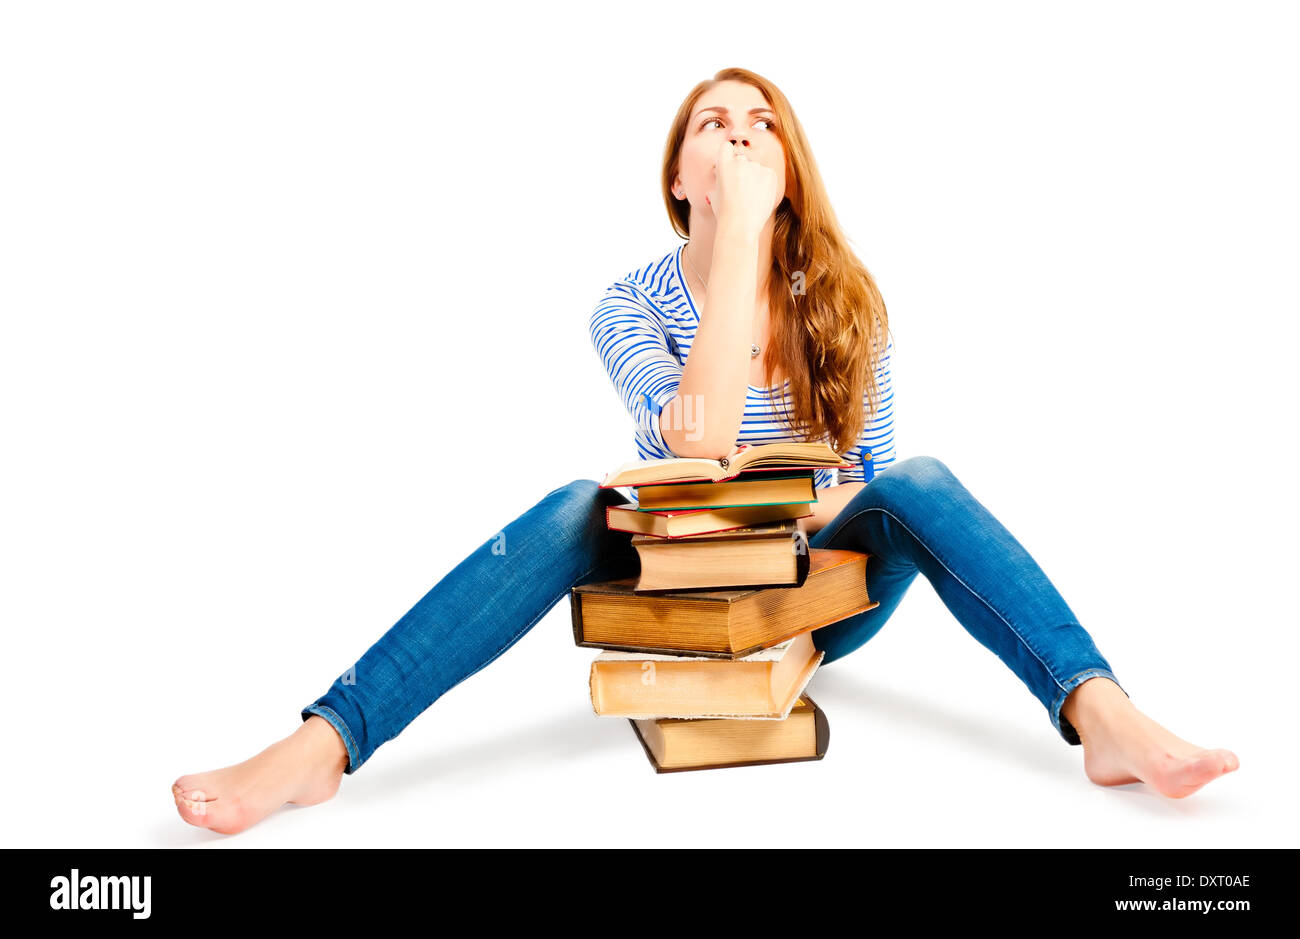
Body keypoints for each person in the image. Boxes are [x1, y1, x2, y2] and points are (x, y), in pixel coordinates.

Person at [173, 68, 1238, 835]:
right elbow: (696, 441)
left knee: (922, 481)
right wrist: (735, 251)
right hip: (676, 575)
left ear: (787, 168)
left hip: (812, 589)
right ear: (679, 175)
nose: (736, 138)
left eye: (759, 126)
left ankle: (1100, 714)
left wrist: (797, 488)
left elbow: (874, 479)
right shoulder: (626, 302)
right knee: (564, 504)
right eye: (712, 127)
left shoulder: (849, 299)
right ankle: (323, 746)